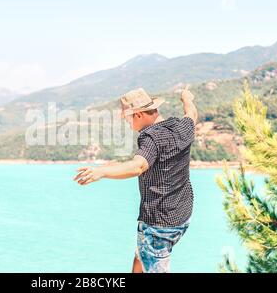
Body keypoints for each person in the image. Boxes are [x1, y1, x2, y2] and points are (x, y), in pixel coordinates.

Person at [73, 87, 198, 273]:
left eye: (127, 117)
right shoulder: (182, 126)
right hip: (182, 216)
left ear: (138, 114)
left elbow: (138, 166)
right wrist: (186, 98)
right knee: (141, 255)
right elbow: (192, 112)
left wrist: (102, 172)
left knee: (151, 254)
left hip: (158, 224)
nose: (126, 121)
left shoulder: (151, 137)